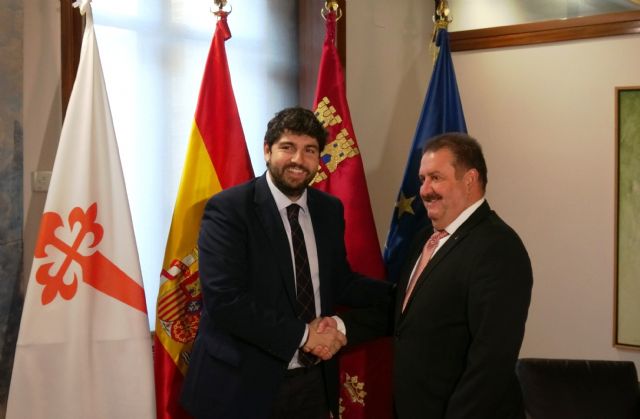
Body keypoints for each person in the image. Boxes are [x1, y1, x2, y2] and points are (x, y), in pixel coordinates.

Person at [180, 107, 391, 419]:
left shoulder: (329, 209)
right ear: (267, 150)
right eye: (288, 147)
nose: (298, 160)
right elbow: (225, 300)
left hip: (312, 382)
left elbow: (338, 281)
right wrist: (304, 335)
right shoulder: (229, 209)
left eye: (310, 150)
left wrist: (405, 293)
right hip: (240, 386)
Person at [337, 132, 533, 418]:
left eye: (436, 178)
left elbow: (491, 360)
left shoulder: (498, 247)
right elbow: (405, 317)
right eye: (422, 179)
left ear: (470, 179)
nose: (424, 190)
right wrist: (339, 327)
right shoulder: (423, 240)